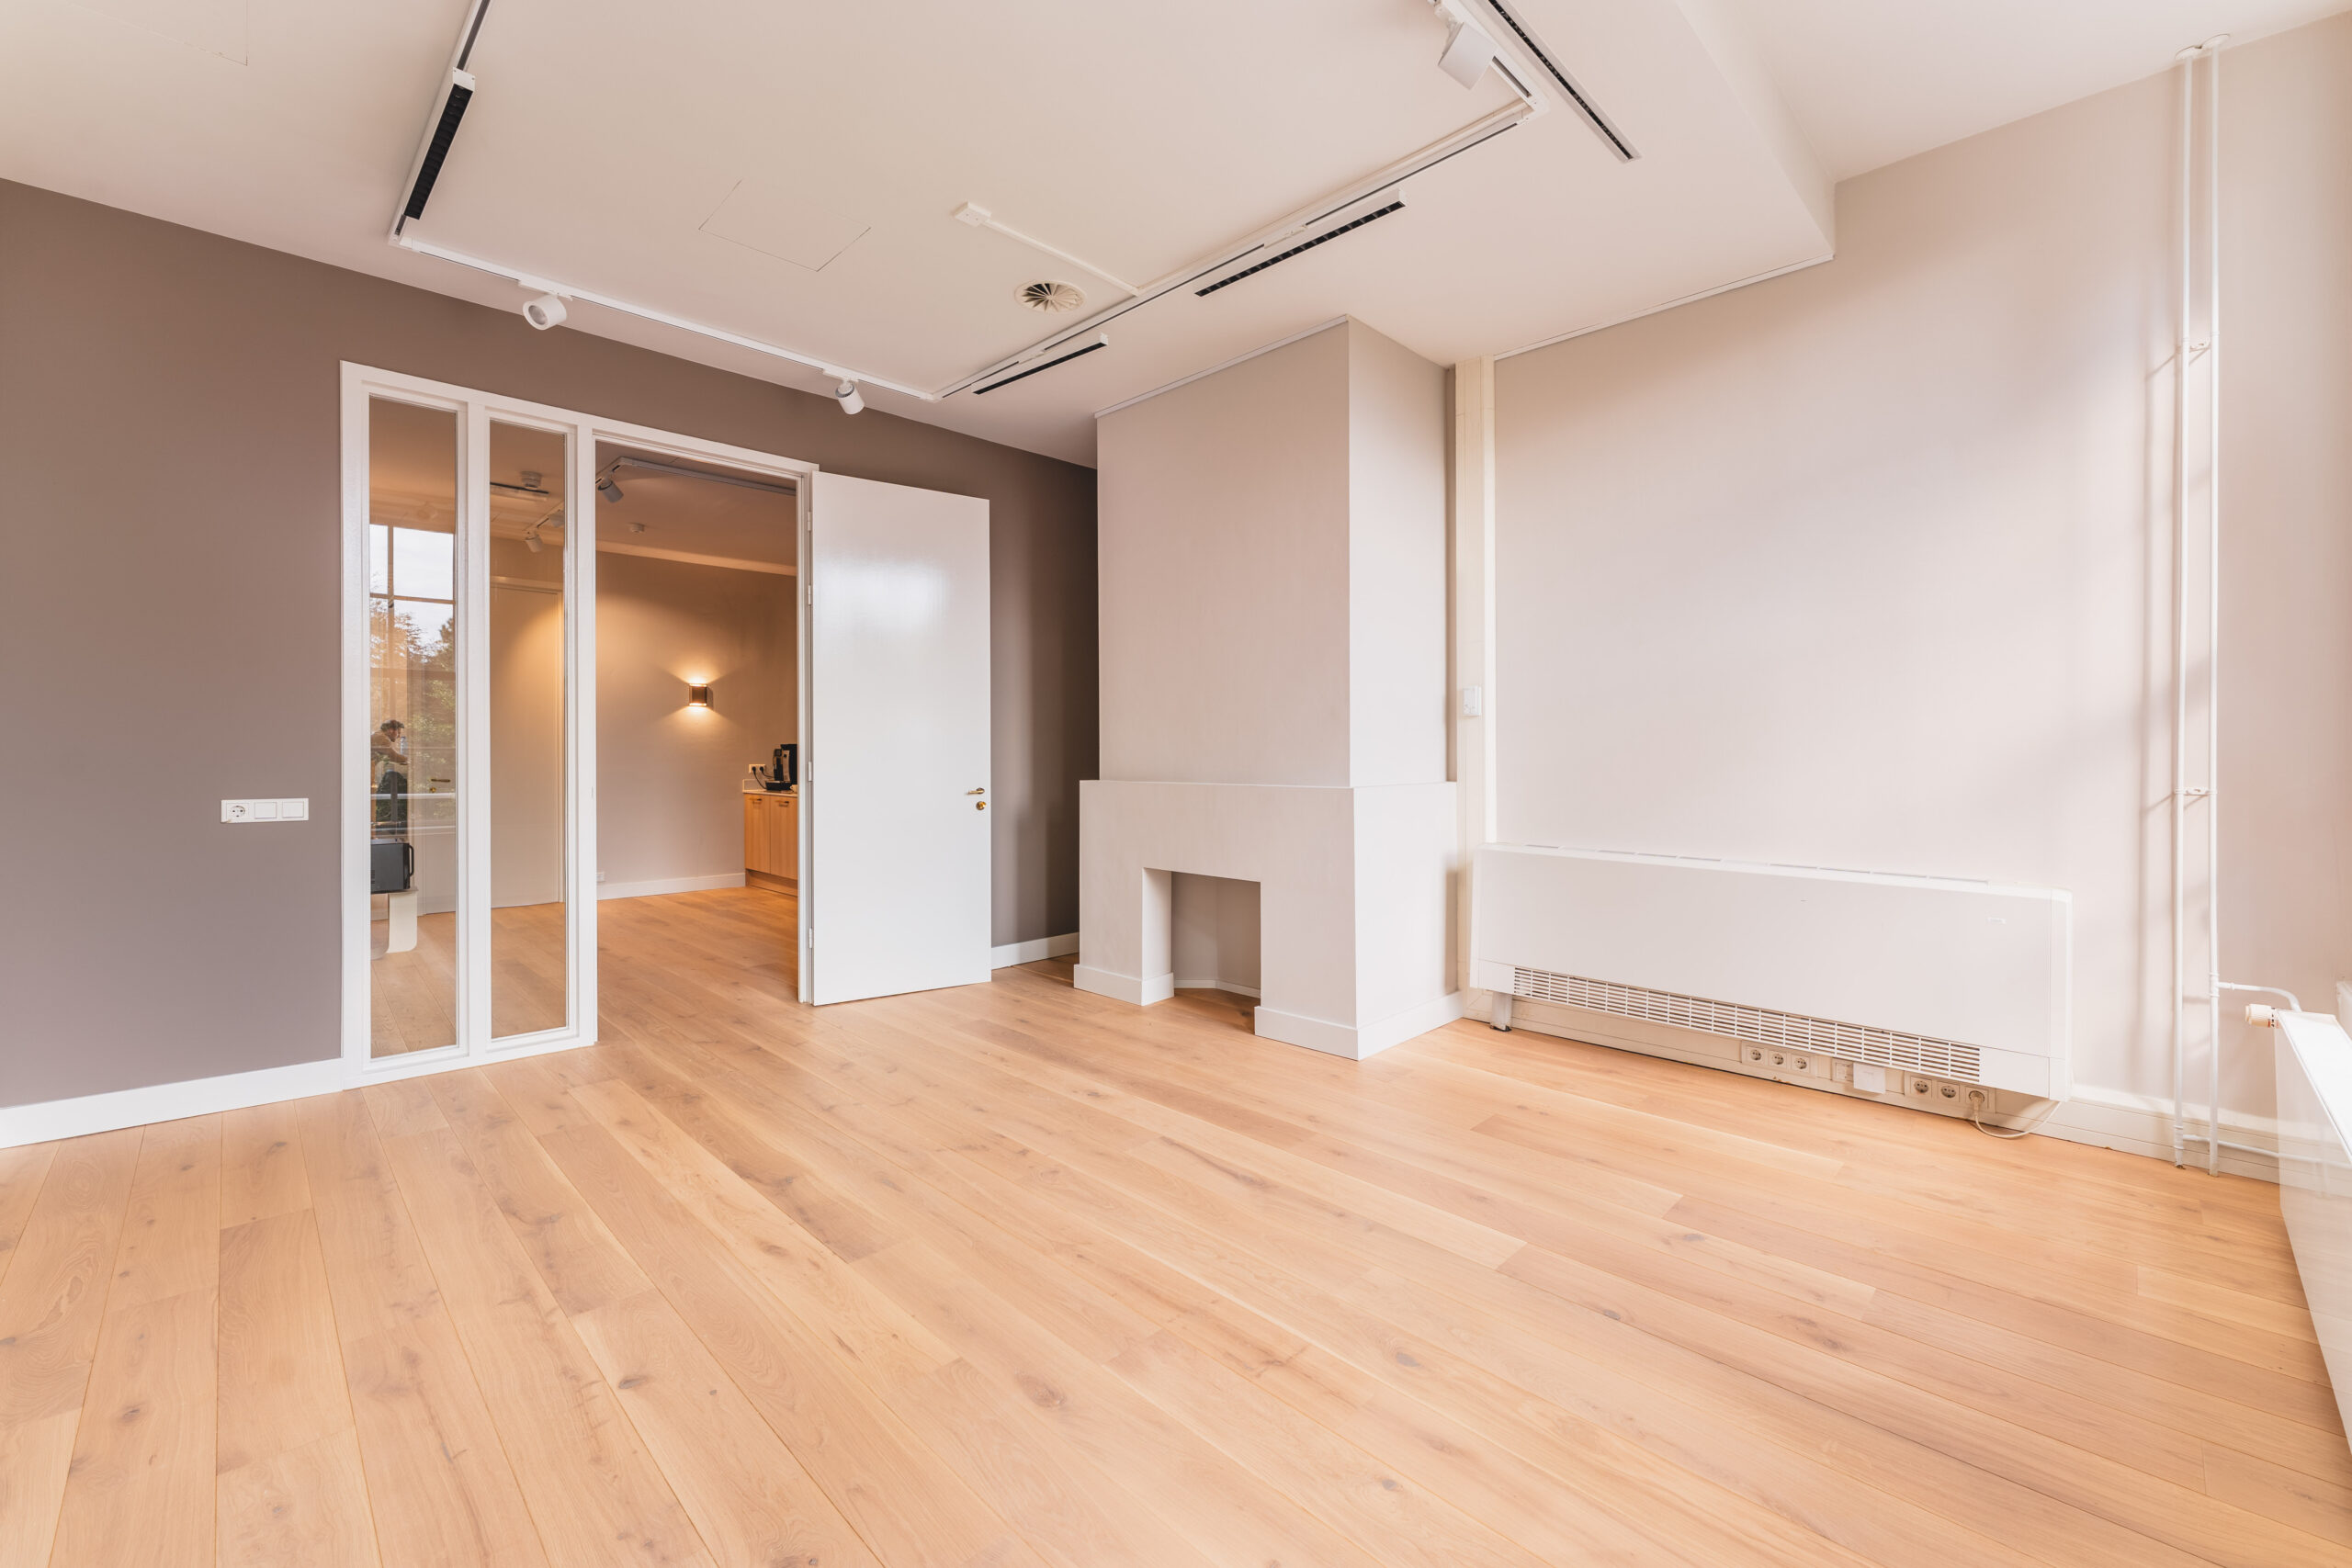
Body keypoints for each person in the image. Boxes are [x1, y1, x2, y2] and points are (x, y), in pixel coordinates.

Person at [371, 719, 409, 833]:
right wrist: (409, 760)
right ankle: (371, 834)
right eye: (399, 732)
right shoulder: (382, 738)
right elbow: (392, 755)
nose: (399, 736)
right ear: (391, 730)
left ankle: (372, 834)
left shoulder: (378, 736)